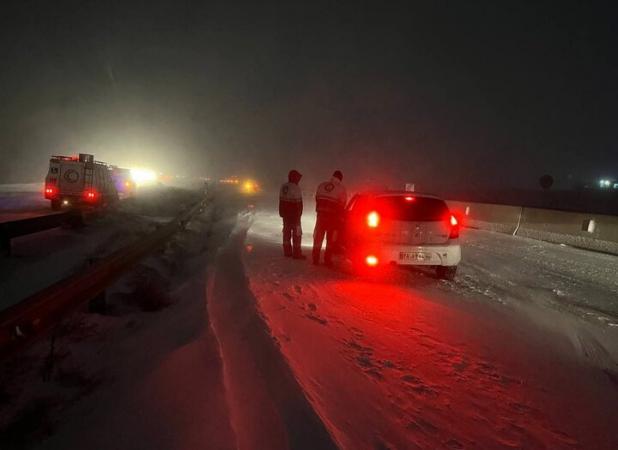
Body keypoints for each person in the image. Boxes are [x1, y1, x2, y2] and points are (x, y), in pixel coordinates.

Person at [313, 170, 347, 265]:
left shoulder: (321, 185)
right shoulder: (341, 189)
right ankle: (327, 260)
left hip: (320, 215)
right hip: (333, 218)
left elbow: (317, 199)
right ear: (340, 178)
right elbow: (342, 205)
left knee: (318, 237)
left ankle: (315, 258)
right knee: (330, 239)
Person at [279, 169, 306, 259]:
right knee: (297, 234)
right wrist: (299, 215)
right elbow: (299, 203)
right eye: (298, 178)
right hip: (295, 215)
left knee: (286, 232)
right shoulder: (296, 188)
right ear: (294, 178)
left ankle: (287, 251)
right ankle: (297, 253)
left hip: (285, 214)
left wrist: (282, 212)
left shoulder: (283, 187)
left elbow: (281, 201)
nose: (299, 180)